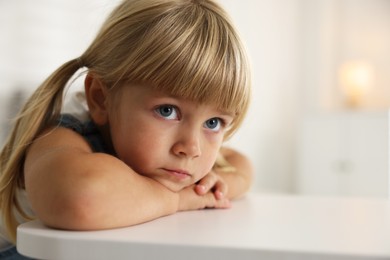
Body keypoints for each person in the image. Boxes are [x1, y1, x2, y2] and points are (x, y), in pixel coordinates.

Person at [0, 0, 253, 258]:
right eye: (167, 110)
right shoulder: (63, 138)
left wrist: (217, 187)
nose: (192, 148)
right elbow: (82, 198)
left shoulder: (173, 157)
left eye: (213, 123)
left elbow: (239, 165)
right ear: (100, 98)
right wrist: (176, 200)